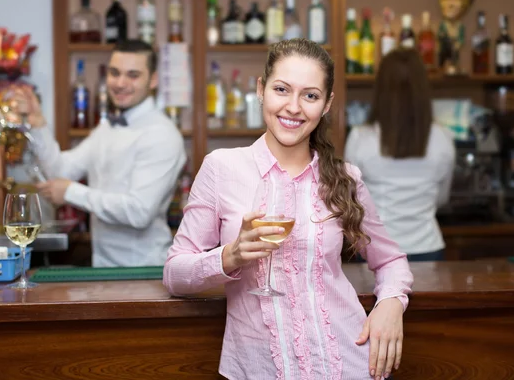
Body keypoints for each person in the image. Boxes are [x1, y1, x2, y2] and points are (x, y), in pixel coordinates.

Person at [163, 38, 413, 380]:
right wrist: (230, 256)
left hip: (349, 362)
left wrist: (391, 303)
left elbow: (391, 260)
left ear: (326, 105)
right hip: (260, 369)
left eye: (310, 95)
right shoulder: (222, 168)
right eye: (282, 89)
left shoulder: (345, 178)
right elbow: (175, 273)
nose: (293, 107)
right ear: (261, 89)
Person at [16, 39, 186, 267]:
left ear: (153, 80)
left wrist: (71, 192)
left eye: (133, 75)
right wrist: (38, 123)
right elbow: (61, 170)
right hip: (103, 265)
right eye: (114, 73)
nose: (120, 83)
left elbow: (139, 212)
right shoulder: (107, 127)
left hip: (143, 269)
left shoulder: (162, 134)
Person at [345, 48, 456, 262]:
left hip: (375, 250)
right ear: (424, 88)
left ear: (381, 90)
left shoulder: (360, 138)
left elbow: (351, 201)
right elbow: (442, 198)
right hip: (427, 247)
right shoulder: (443, 139)